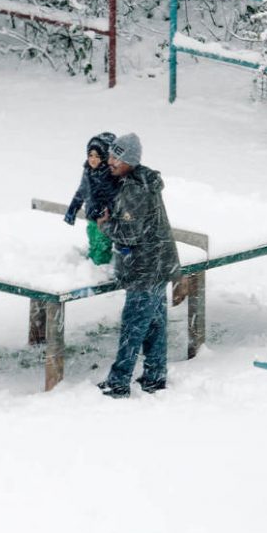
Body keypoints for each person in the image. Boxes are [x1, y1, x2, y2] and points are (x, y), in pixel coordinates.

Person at [97, 132, 180, 397]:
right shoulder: (142, 180)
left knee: (133, 327)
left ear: (129, 160)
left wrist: (106, 225)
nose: (110, 160)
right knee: (154, 324)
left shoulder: (134, 189)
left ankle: (119, 381)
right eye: (110, 154)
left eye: (115, 157)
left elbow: (129, 234)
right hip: (159, 264)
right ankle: (155, 376)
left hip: (144, 268)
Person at [63, 130, 119, 265]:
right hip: (91, 215)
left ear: (105, 156)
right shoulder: (88, 171)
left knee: (102, 244)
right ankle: (93, 264)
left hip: (105, 219)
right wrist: (72, 210)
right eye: (90, 155)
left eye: (97, 156)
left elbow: (115, 197)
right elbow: (81, 191)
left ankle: (101, 268)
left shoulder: (110, 174)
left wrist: (107, 213)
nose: (93, 159)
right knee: (93, 240)